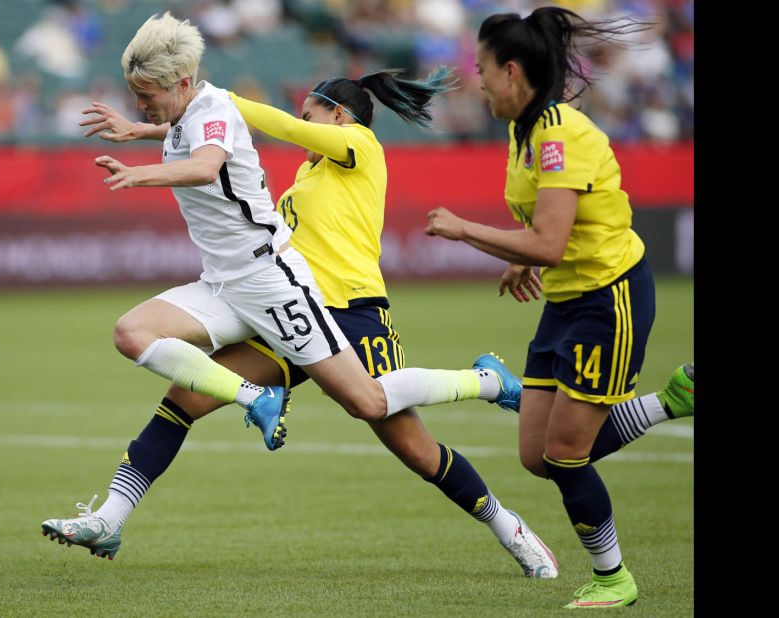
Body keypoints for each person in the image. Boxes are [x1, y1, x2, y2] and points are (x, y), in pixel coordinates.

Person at [42, 63, 562, 577]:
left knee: (412, 447)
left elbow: (276, 127)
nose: (303, 125)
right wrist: (153, 127)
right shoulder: (308, 174)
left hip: (354, 313)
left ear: (337, 117)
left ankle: (501, 474)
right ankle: (110, 516)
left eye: (311, 114)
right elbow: (217, 137)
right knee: (185, 397)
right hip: (284, 314)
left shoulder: (361, 147)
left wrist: (217, 96)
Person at [423, 6, 692, 609]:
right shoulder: (526, 132)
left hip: (608, 298)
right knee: (535, 455)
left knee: (565, 455)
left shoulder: (559, 135)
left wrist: (469, 231)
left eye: (484, 67)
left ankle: (612, 575)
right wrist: (527, 259)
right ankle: (671, 402)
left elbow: (549, 237)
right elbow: (550, 232)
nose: (479, 79)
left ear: (513, 71)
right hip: (566, 300)